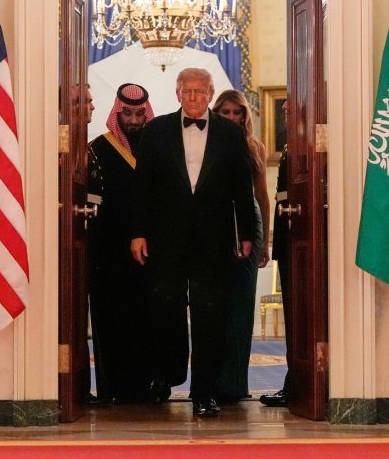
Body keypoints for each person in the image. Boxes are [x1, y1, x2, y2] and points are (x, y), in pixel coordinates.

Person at [130, 67, 256, 418]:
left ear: (211, 94)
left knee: (210, 315)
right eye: (187, 91)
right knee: (165, 309)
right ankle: (165, 377)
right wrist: (138, 233)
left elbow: (241, 187)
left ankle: (205, 392)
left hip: (213, 240)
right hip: (165, 238)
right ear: (177, 94)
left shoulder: (230, 133)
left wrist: (246, 234)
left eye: (200, 91)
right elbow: (142, 187)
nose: (193, 97)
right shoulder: (156, 130)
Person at [87, 83, 155, 403]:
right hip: (110, 253)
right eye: (126, 114)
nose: (133, 120)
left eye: (139, 114)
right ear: (117, 113)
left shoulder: (158, 147)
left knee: (148, 321)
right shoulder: (98, 149)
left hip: (151, 254)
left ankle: (148, 387)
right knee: (112, 320)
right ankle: (112, 389)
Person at [212, 90, 270, 403]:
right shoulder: (205, 140)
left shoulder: (253, 146)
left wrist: (265, 242)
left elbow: (262, 195)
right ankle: (210, 382)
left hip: (249, 222)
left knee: (241, 303)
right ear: (216, 112)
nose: (232, 118)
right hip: (214, 222)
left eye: (238, 112)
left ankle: (234, 384)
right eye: (226, 112)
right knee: (214, 301)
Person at [260, 99, 291, 407]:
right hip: (290, 243)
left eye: (290, 107)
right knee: (295, 320)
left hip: (305, 243)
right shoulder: (290, 147)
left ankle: (299, 384)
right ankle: (294, 383)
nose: (285, 111)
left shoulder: (312, 147)